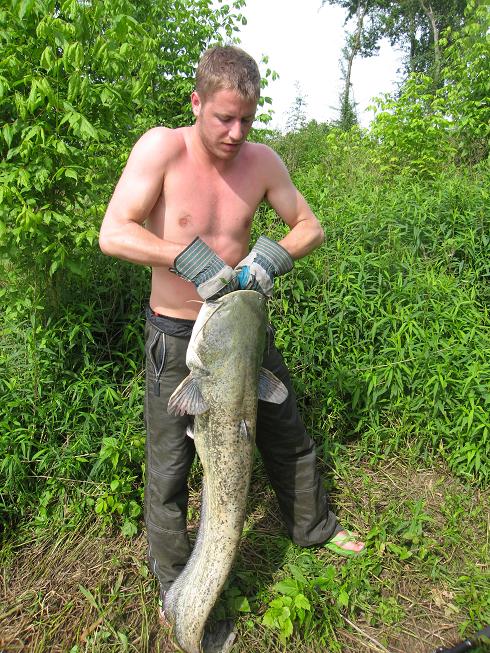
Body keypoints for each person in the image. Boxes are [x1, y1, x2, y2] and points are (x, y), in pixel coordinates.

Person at [99, 45, 364, 621]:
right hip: (178, 337)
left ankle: (313, 528)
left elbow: (309, 227)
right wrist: (184, 258)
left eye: (248, 117)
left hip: (244, 334)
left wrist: (268, 258)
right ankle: (178, 590)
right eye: (224, 117)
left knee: (285, 432)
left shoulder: (263, 162)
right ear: (196, 102)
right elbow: (114, 233)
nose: (237, 131)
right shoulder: (162, 149)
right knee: (170, 466)